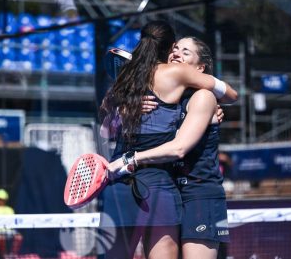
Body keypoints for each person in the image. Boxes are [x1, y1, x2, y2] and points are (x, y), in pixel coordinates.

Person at [98, 22, 237, 259]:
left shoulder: (202, 96)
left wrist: (129, 158)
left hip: (198, 191)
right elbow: (106, 127)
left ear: (201, 68)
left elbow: (180, 147)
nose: (177, 54)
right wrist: (125, 108)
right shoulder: (159, 88)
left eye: (186, 52)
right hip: (163, 185)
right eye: (177, 49)